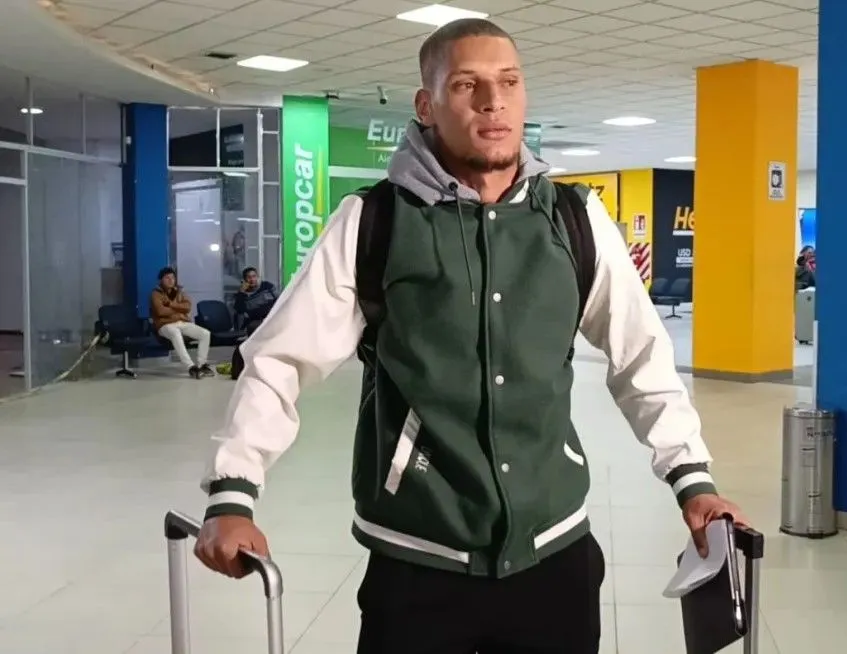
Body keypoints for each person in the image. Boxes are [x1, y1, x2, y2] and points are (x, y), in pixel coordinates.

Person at [194, 18, 745, 654]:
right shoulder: (373, 222)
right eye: (467, 85)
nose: (493, 101)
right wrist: (232, 491)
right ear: (427, 105)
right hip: (417, 565)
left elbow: (642, 358)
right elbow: (278, 362)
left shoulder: (575, 220)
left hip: (555, 556)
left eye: (509, 81)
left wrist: (692, 480)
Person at [149, 267, 214, 379]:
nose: (170, 280)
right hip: (165, 325)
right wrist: (179, 311)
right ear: (161, 280)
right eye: (167, 278)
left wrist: (170, 304)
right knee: (175, 333)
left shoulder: (180, 291)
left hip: (181, 322)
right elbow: (161, 311)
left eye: (173, 278)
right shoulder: (156, 294)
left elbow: (187, 307)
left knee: (205, 333)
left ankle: (202, 364)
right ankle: (190, 367)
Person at [233, 267, 278, 335]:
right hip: (256, 320)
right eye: (249, 277)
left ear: (258, 277)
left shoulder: (267, 286)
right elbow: (240, 311)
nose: (252, 279)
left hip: (272, 316)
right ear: (244, 280)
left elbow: (279, 301)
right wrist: (241, 292)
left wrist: (256, 311)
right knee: (255, 326)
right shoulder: (242, 294)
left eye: (254, 276)